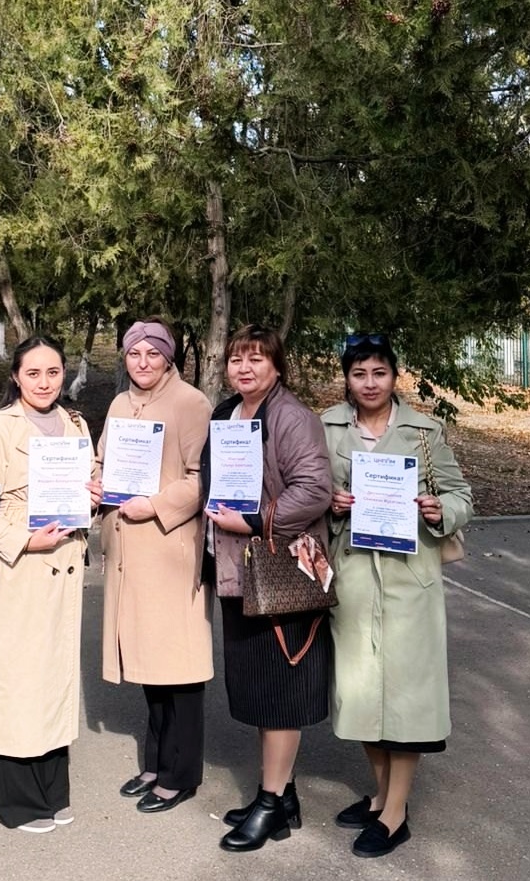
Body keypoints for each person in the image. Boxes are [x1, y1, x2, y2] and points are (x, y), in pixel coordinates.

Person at [320, 333, 474, 858]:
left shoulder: (425, 431)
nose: (369, 383)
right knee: (362, 693)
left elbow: (461, 495)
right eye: (359, 373)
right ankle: (381, 793)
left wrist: (440, 511)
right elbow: (310, 492)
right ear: (347, 378)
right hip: (356, 578)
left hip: (411, 581)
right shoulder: (327, 427)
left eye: (379, 373)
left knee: (407, 700)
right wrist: (333, 505)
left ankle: (395, 813)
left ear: (394, 376)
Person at [201, 324, 333, 852]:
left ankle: (270, 804)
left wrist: (256, 521)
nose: (245, 368)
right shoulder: (227, 414)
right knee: (258, 689)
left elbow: (315, 490)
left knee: (280, 694)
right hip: (240, 573)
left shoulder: (292, 418)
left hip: (280, 574)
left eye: (257, 359)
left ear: (277, 366)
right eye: (237, 359)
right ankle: (284, 795)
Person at [0, 336, 102, 833]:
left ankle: (52, 790)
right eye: (33, 374)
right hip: (19, 572)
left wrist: (94, 493)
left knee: (52, 679)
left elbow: (89, 483)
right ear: (16, 377)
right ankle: (17, 802)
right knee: (17, 681)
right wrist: (24, 542)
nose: (44, 382)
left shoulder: (77, 423)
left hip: (64, 566)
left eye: (53, 372)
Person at [96, 318, 213, 813]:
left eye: (152, 353)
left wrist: (157, 505)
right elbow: (102, 460)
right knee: (149, 665)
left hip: (168, 548)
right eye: (133, 354)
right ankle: (156, 760)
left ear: (169, 357)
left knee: (178, 668)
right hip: (128, 550)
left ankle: (180, 773)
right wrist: (95, 482)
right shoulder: (121, 403)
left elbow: (201, 476)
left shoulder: (191, 403)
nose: (142, 363)